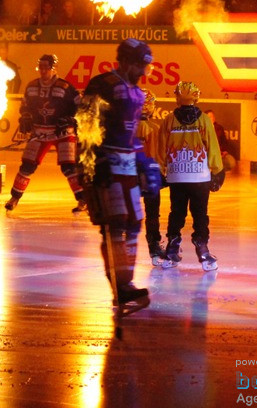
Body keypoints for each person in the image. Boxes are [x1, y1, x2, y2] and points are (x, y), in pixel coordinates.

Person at [79, 39, 161, 314]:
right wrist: (92, 165)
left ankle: (126, 281)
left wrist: (143, 161)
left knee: (135, 221)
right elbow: (86, 127)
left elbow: (131, 136)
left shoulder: (137, 92)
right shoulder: (103, 85)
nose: (143, 71)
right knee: (115, 223)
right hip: (106, 165)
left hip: (126, 165)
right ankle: (120, 286)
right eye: (140, 65)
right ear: (126, 62)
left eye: (146, 66)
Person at [156, 81, 224, 271]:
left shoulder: (169, 120)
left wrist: (160, 171)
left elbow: (161, 148)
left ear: (177, 97)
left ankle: (171, 249)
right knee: (200, 214)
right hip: (199, 178)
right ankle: (203, 251)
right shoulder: (203, 120)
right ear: (196, 97)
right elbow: (212, 147)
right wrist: (217, 171)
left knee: (176, 213)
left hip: (177, 177)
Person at [5, 54, 83, 213]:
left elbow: (81, 107)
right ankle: (14, 198)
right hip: (39, 132)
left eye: (46, 67)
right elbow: (25, 105)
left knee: (69, 167)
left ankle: (82, 200)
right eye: (40, 67)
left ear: (54, 68)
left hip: (62, 132)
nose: (42, 71)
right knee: (27, 166)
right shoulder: (31, 86)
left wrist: (71, 119)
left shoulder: (65, 87)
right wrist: (25, 116)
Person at [138, 90, 168, 266]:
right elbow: (158, 157)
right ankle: (154, 247)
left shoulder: (124, 126)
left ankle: (124, 246)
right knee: (152, 214)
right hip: (150, 177)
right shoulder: (154, 129)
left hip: (128, 177)